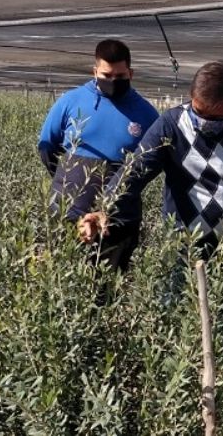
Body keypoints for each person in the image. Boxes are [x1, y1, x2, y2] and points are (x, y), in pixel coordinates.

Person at [78, 60, 223, 255]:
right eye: (197, 111)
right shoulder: (172, 124)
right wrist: (104, 207)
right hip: (186, 243)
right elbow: (136, 169)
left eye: (211, 117)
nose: (202, 122)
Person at [37, 39, 159, 270]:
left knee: (107, 286)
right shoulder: (71, 102)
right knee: (62, 281)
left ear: (131, 73)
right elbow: (46, 147)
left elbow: (153, 161)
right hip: (69, 213)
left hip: (119, 219)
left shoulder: (145, 113)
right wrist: (67, 182)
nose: (113, 81)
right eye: (106, 75)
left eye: (120, 76)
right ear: (95, 71)